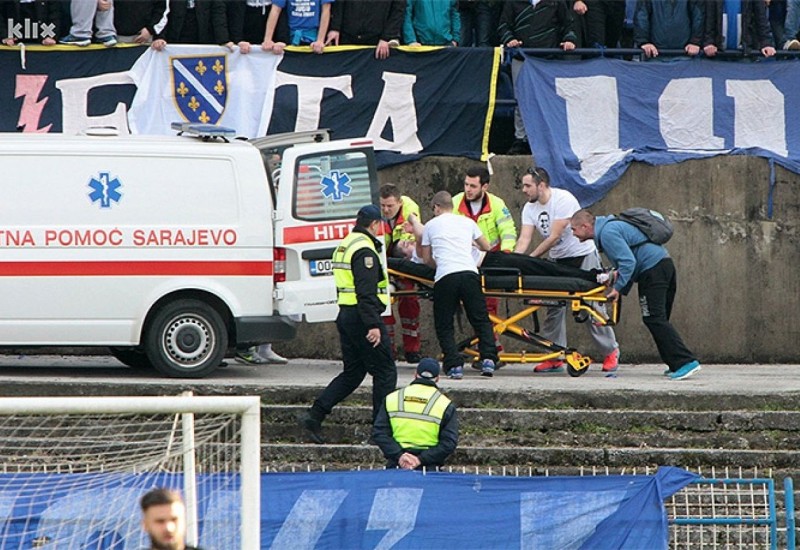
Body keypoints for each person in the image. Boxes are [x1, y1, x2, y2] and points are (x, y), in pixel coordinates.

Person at [299, 204, 397, 443]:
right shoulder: (364, 251)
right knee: (385, 372)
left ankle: (315, 415)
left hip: (346, 315)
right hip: (363, 317)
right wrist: (373, 324)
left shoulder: (346, 244)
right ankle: (380, 431)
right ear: (374, 225)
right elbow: (366, 292)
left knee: (353, 373)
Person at [570, 209, 701, 380]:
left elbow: (628, 262)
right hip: (662, 266)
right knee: (658, 319)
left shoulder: (608, 233)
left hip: (653, 270)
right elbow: (629, 262)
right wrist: (620, 286)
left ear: (585, 226)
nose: (573, 234)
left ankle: (686, 362)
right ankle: (675, 363)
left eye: (574, 229)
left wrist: (617, 288)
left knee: (654, 318)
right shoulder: (611, 228)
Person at [514, 167, 619, 374]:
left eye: (528, 185)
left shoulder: (563, 200)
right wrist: (515, 261)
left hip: (582, 256)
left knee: (591, 306)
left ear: (541, 185)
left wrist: (530, 261)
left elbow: (553, 237)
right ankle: (554, 356)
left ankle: (610, 351)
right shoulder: (529, 208)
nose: (524, 190)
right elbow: (524, 238)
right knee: (553, 307)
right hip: (559, 259)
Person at [405, 190, 498, 378]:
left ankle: (454, 365)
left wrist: (438, 262)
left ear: (436, 208)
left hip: (446, 276)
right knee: (480, 319)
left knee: (444, 323)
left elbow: (426, 258)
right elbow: (487, 247)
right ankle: (488, 359)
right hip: (470, 273)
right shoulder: (468, 222)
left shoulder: (431, 225)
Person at [452, 166, 517, 358]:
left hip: (491, 262)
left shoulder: (497, 204)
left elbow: (508, 231)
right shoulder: (456, 203)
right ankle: (488, 345)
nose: (468, 189)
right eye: (466, 185)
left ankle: (491, 346)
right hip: (463, 260)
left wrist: (505, 256)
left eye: (473, 186)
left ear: (485, 186)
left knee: (488, 308)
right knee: (470, 307)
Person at [497, 0, 577, 155]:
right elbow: (503, 25)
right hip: (521, 57)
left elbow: (568, 25)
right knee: (520, 99)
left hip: (547, 60)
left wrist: (569, 39)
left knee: (547, 99)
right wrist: (509, 39)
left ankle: (548, 138)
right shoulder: (512, 3)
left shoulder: (556, 2)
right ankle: (521, 139)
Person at [372, 357, 458, 469]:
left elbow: (379, 433)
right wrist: (420, 459)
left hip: (397, 464)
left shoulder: (393, 398)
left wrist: (400, 456)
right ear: (437, 378)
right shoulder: (445, 404)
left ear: (415, 374)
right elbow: (448, 443)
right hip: (428, 467)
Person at [379, 184, 422, 364]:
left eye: (390, 206)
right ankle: (388, 350)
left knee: (410, 303)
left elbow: (409, 245)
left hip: (403, 262)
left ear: (399, 202)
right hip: (383, 261)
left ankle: (412, 350)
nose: (386, 210)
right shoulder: (377, 213)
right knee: (384, 303)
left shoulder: (410, 210)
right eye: (383, 206)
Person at [326, 0, 405, 59]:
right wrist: (335, 28)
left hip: (377, 43)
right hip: (347, 38)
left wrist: (386, 37)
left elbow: (398, 11)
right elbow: (339, 3)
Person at [701, 0, 776, 57]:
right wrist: (709, 42)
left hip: (745, 54)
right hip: (718, 54)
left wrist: (766, 44)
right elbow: (709, 20)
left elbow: (761, 19)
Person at [151, 0, 233, 51]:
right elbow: (162, 11)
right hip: (174, 39)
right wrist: (159, 37)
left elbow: (218, 14)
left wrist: (223, 40)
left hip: (203, 39)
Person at [633, 0, 703, 58]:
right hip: (655, 56)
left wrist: (695, 42)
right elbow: (641, 18)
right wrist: (644, 42)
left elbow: (698, 18)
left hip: (686, 56)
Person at [262, 0, 333, 55]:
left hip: (314, 37)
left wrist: (320, 40)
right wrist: (268, 39)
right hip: (290, 38)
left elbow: (326, 11)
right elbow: (275, 10)